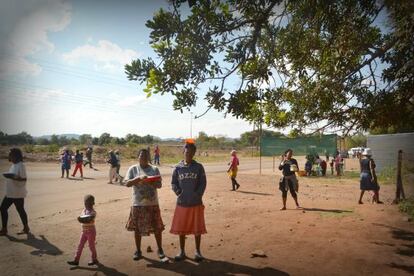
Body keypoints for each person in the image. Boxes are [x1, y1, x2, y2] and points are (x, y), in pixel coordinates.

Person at [124, 149, 166, 261]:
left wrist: (152, 181)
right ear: (138, 157)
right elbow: (127, 183)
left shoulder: (154, 169)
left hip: (152, 203)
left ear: (149, 157)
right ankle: (138, 250)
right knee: (137, 228)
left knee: (157, 227)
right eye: (141, 155)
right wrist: (138, 179)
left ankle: (160, 249)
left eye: (146, 156)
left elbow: (159, 185)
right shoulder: (133, 169)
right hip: (138, 204)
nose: (143, 157)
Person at [170, 142, 207, 262]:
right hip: (182, 203)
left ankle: (198, 251)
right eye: (186, 152)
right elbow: (174, 182)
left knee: (197, 228)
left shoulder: (199, 167)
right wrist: (178, 192)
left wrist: (197, 194)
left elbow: (203, 183)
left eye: (191, 152)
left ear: (194, 153)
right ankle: (182, 251)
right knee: (181, 228)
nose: (188, 154)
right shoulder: (178, 167)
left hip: (196, 202)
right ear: (183, 152)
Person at [0, 148, 29, 236]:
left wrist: (12, 177)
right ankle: (5, 229)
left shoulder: (21, 165)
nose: (9, 156)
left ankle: (25, 228)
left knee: (19, 210)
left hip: (17, 193)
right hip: (11, 192)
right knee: (4, 208)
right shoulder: (13, 165)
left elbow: (24, 179)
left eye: (10, 154)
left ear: (16, 156)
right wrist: (10, 176)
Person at [67, 194, 98, 266]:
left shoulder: (93, 212)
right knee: (80, 245)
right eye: (85, 203)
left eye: (87, 203)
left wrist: (81, 219)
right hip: (84, 231)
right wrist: (80, 219)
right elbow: (82, 218)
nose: (85, 204)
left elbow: (88, 219)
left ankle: (94, 259)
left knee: (91, 246)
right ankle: (76, 260)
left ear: (91, 204)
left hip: (91, 231)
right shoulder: (84, 210)